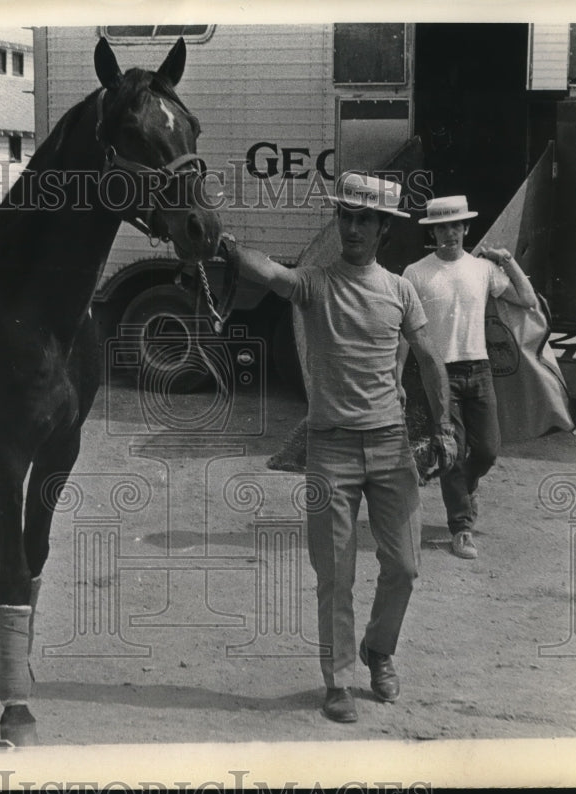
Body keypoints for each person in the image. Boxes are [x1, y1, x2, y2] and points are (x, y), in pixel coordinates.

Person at [221, 173, 456, 723]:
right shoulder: (316, 284)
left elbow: (428, 359)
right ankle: (340, 680)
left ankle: (380, 649)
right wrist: (224, 244)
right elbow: (271, 272)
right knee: (336, 576)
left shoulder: (401, 290)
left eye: (363, 219)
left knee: (404, 565)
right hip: (329, 451)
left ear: (381, 229)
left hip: (391, 447)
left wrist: (444, 427)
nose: (352, 227)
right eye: (345, 217)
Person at [401, 195, 538, 560]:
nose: (449, 233)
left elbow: (528, 300)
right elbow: (403, 331)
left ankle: (465, 486)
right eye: (441, 227)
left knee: (488, 451)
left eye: (455, 225)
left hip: (479, 370)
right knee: (452, 453)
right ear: (433, 231)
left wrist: (507, 261)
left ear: (465, 228)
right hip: (438, 375)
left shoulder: (481, 270)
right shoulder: (415, 273)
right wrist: (397, 378)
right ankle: (461, 528)